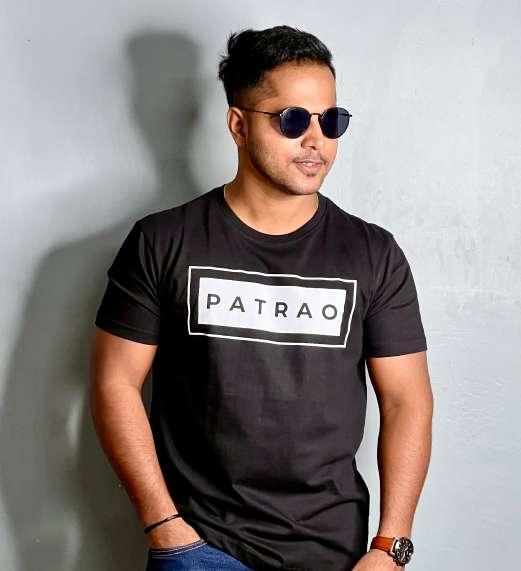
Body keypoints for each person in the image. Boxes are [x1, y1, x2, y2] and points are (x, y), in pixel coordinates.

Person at [90, 25, 433, 571]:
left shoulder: (373, 253)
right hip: (201, 549)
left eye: (331, 120)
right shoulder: (164, 240)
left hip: (337, 555)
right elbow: (115, 383)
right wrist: (164, 525)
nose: (315, 140)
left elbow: (406, 400)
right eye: (293, 120)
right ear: (238, 124)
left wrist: (391, 548)